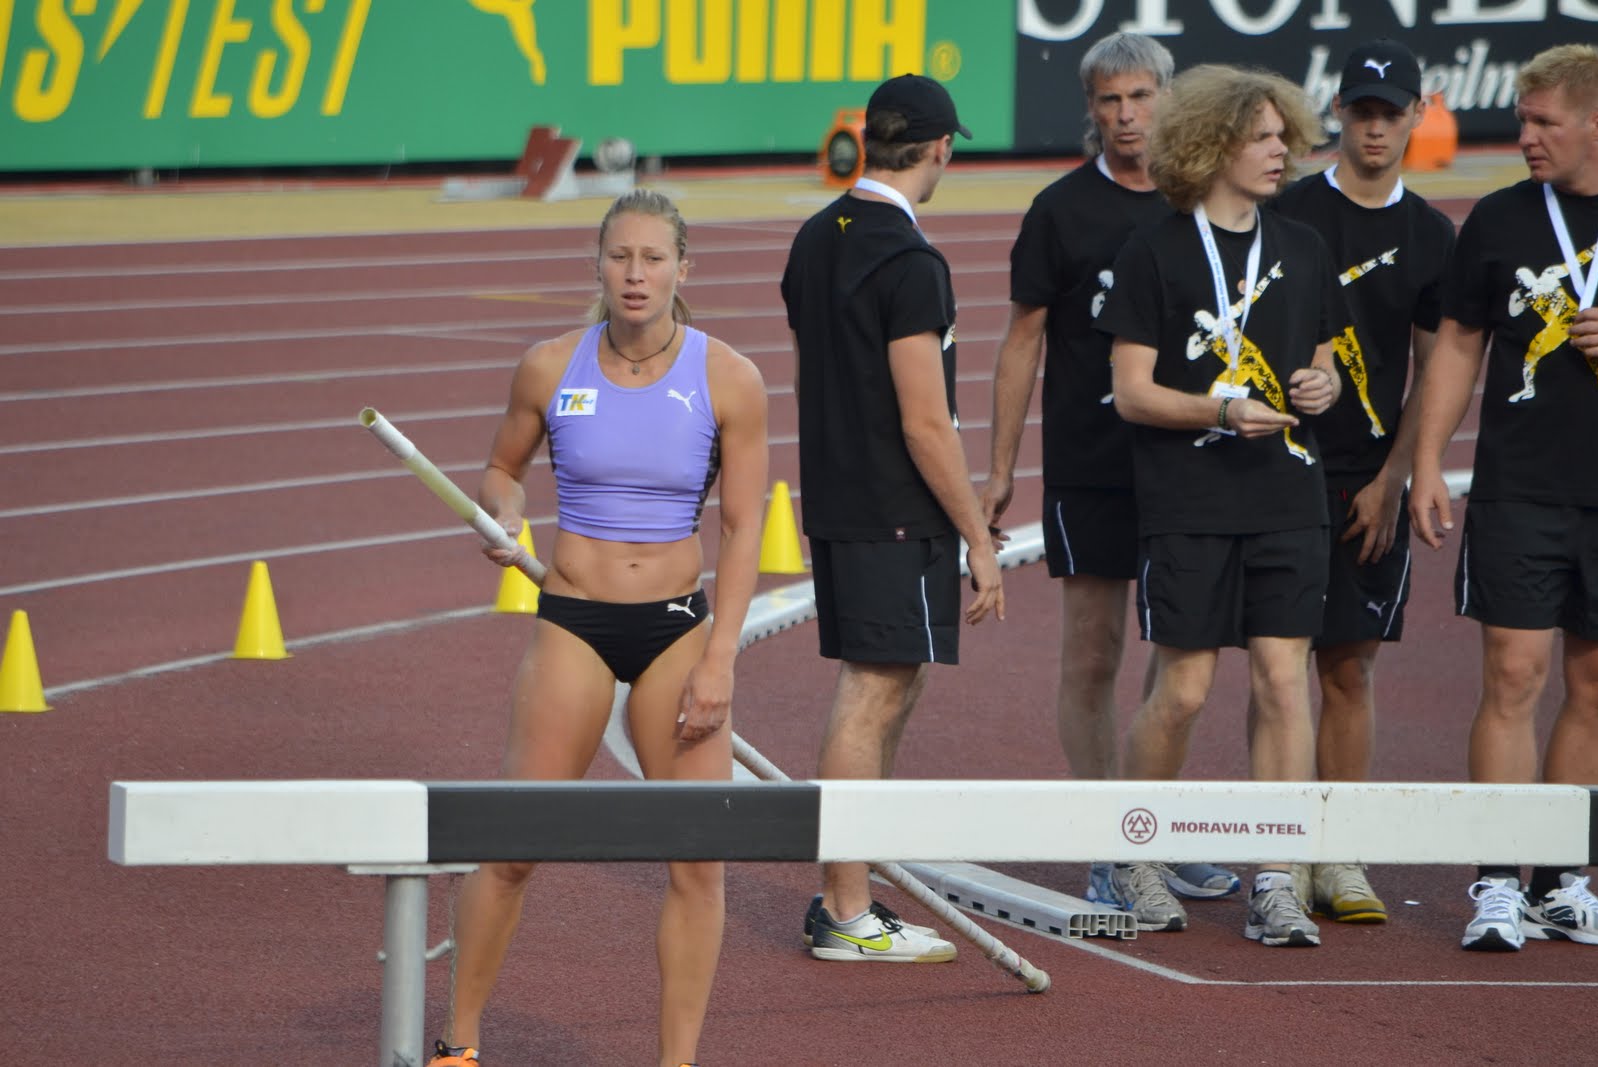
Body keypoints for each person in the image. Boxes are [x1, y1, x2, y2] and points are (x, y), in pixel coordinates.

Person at [426, 189, 769, 1067]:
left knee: (698, 862)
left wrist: (721, 659)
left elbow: (742, 528)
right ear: (599, 264)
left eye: (654, 258)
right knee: (513, 846)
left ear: (683, 268)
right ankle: (457, 1044)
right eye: (621, 256)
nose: (636, 274)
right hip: (573, 622)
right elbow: (502, 467)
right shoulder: (549, 366)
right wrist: (503, 513)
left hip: (677, 630)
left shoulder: (729, 377)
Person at [981, 31, 1238, 933]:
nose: (1127, 116)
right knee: (1092, 656)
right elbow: (1022, 340)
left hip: (1189, 464)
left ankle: (1150, 830)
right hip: (1090, 467)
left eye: (1140, 97)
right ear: (1091, 110)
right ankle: (1110, 845)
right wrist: (999, 468)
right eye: (1109, 101)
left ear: (1169, 97)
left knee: (1180, 658)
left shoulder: (1199, 201)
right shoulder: (1059, 210)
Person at [1098, 65, 1344, 948]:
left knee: (1284, 680)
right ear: (1211, 146)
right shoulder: (1153, 251)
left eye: (1285, 135)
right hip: (1190, 499)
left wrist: (1321, 385)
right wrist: (1220, 410)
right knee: (1185, 689)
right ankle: (1134, 855)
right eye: (1262, 137)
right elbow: (1131, 392)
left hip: (1288, 493)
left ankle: (1277, 876)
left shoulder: (1304, 246)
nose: (1283, 150)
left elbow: (1324, 360)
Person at [781, 73, 1004, 963]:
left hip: (840, 497)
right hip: (896, 510)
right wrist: (980, 539)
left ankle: (852, 887)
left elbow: (813, 373)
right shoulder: (912, 262)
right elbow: (926, 420)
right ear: (942, 148)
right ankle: (846, 909)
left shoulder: (814, 237)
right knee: (873, 693)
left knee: (888, 684)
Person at [1408, 43, 1598, 953]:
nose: (1525, 137)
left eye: (1543, 122)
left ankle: (1562, 880)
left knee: (1593, 686)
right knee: (1514, 675)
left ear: (1596, 123)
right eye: (1523, 120)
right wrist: (1425, 461)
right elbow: (1457, 344)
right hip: (1521, 486)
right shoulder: (1498, 219)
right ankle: (1496, 880)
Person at [1267, 39, 1457, 924]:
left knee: (1349, 667)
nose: (1375, 128)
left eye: (1391, 113)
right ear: (1338, 113)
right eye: (1362, 112)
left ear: (1418, 114)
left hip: (1365, 481)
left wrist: (1394, 477)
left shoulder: (1432, 235)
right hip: (1278, 470)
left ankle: (1336, 850)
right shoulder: (1290, 211)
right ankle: (1278, 853)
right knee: (1276, 669)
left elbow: (1436, 371)